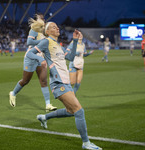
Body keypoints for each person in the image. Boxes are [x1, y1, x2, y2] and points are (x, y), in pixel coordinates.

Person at [26, 22, 102, 150]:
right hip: (58, 83)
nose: (57, 28)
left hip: (65, 82)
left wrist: (75, 40)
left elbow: (71, 57)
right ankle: (86, 143)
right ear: (48, 31)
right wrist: (42, 60)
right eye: (54, 27)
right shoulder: (46, 42)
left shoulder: (57, 45)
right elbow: (30, 53)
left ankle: (44, 117)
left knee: (71, 111)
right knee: (79, 110)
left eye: (57, 26)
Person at [9, 14, 57, 112]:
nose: (43, 19)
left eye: (43, 18)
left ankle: (48, 104)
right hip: (31, 57)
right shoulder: (34, 30)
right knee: (25, 81)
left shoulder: (45, 30)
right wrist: (42, 42)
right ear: (36, 20)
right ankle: (13, 93)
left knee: (43, 81)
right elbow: (29, 42)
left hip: (41, 57)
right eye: (41, 18)